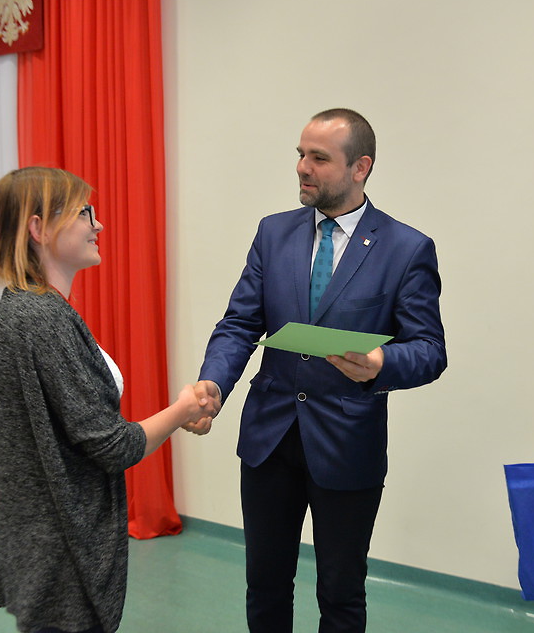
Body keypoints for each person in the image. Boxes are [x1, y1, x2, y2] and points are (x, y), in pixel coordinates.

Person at [188, 108, 447, 632]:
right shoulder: (273, 233)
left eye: (319, 158)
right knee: (265, 585)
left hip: (347, 444)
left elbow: (429, 350)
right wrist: (213, 382)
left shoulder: (406, 249)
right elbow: (239, 323)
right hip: (269, 439)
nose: (302, 167)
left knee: (341, 593)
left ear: (360, 167)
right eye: (301, 154)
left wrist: (381, 363)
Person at [0, 167, 217, 633]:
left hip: (41, 543)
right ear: (38, 228)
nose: (98, 225)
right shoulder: (42, 319)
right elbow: (113, 447)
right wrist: (184, 410)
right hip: (60, 550)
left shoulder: (25, 308)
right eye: (83, 213)